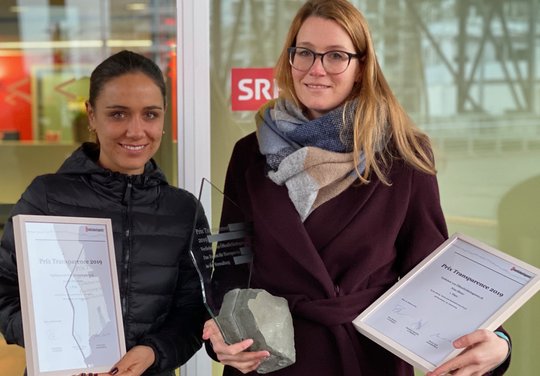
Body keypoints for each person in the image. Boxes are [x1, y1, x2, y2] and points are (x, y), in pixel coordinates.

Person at [202, 1, 511, 375]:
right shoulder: (249, 154)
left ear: (361, 67)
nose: (316, 69)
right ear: (290, 59)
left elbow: (433, 277)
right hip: (270, 358)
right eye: (305, 53)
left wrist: (498, 343)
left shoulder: (404, 154)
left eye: (335, 56)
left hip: (366, 358)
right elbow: (231, 266)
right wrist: (218, 336)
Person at [0, 50, 207, 376]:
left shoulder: (183, 210)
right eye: (118, 114)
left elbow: (194, 312)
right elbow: (5, 293)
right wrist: (60, 344)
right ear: (91, 116)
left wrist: (152, 352)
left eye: (150, 115)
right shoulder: (47, 197)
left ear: (164, 117)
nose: (136, 131)